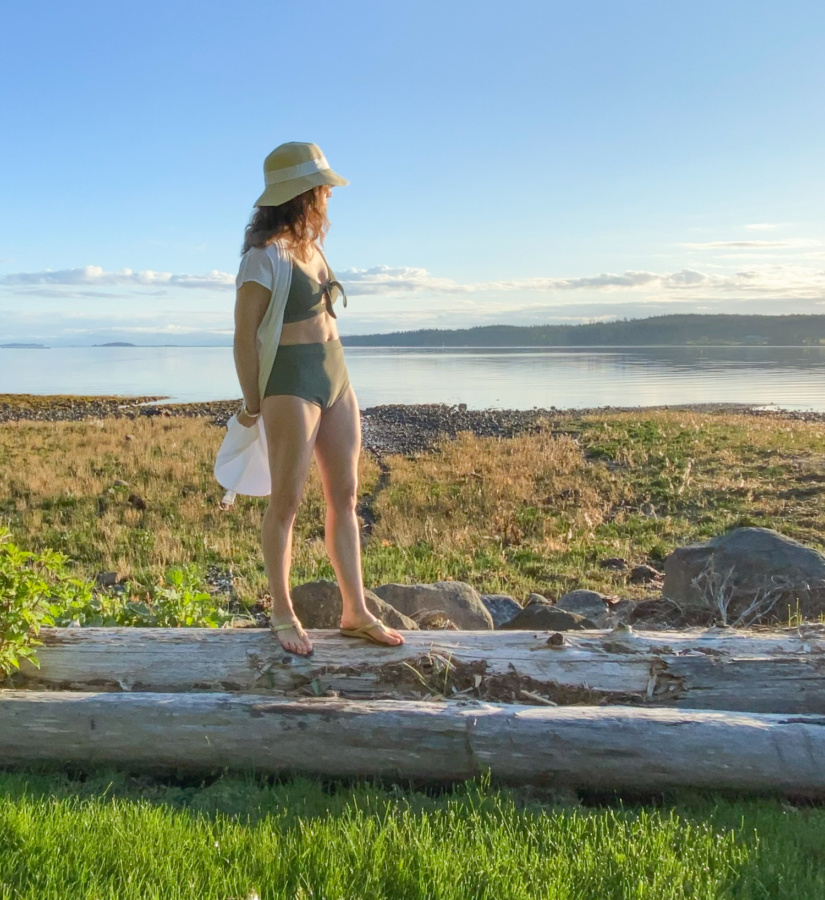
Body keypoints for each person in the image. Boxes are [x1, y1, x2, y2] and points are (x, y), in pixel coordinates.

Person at [232, 142, 405, 656]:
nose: (328, 194)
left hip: (336, 376)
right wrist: (251, 402)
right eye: (322, 187)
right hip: (289, 381)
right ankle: (283, 613)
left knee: (346, 497)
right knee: (286, 502)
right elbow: (244, 338)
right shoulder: (261, 260)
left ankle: (355, 610)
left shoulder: (313, 248)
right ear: (301, 195)